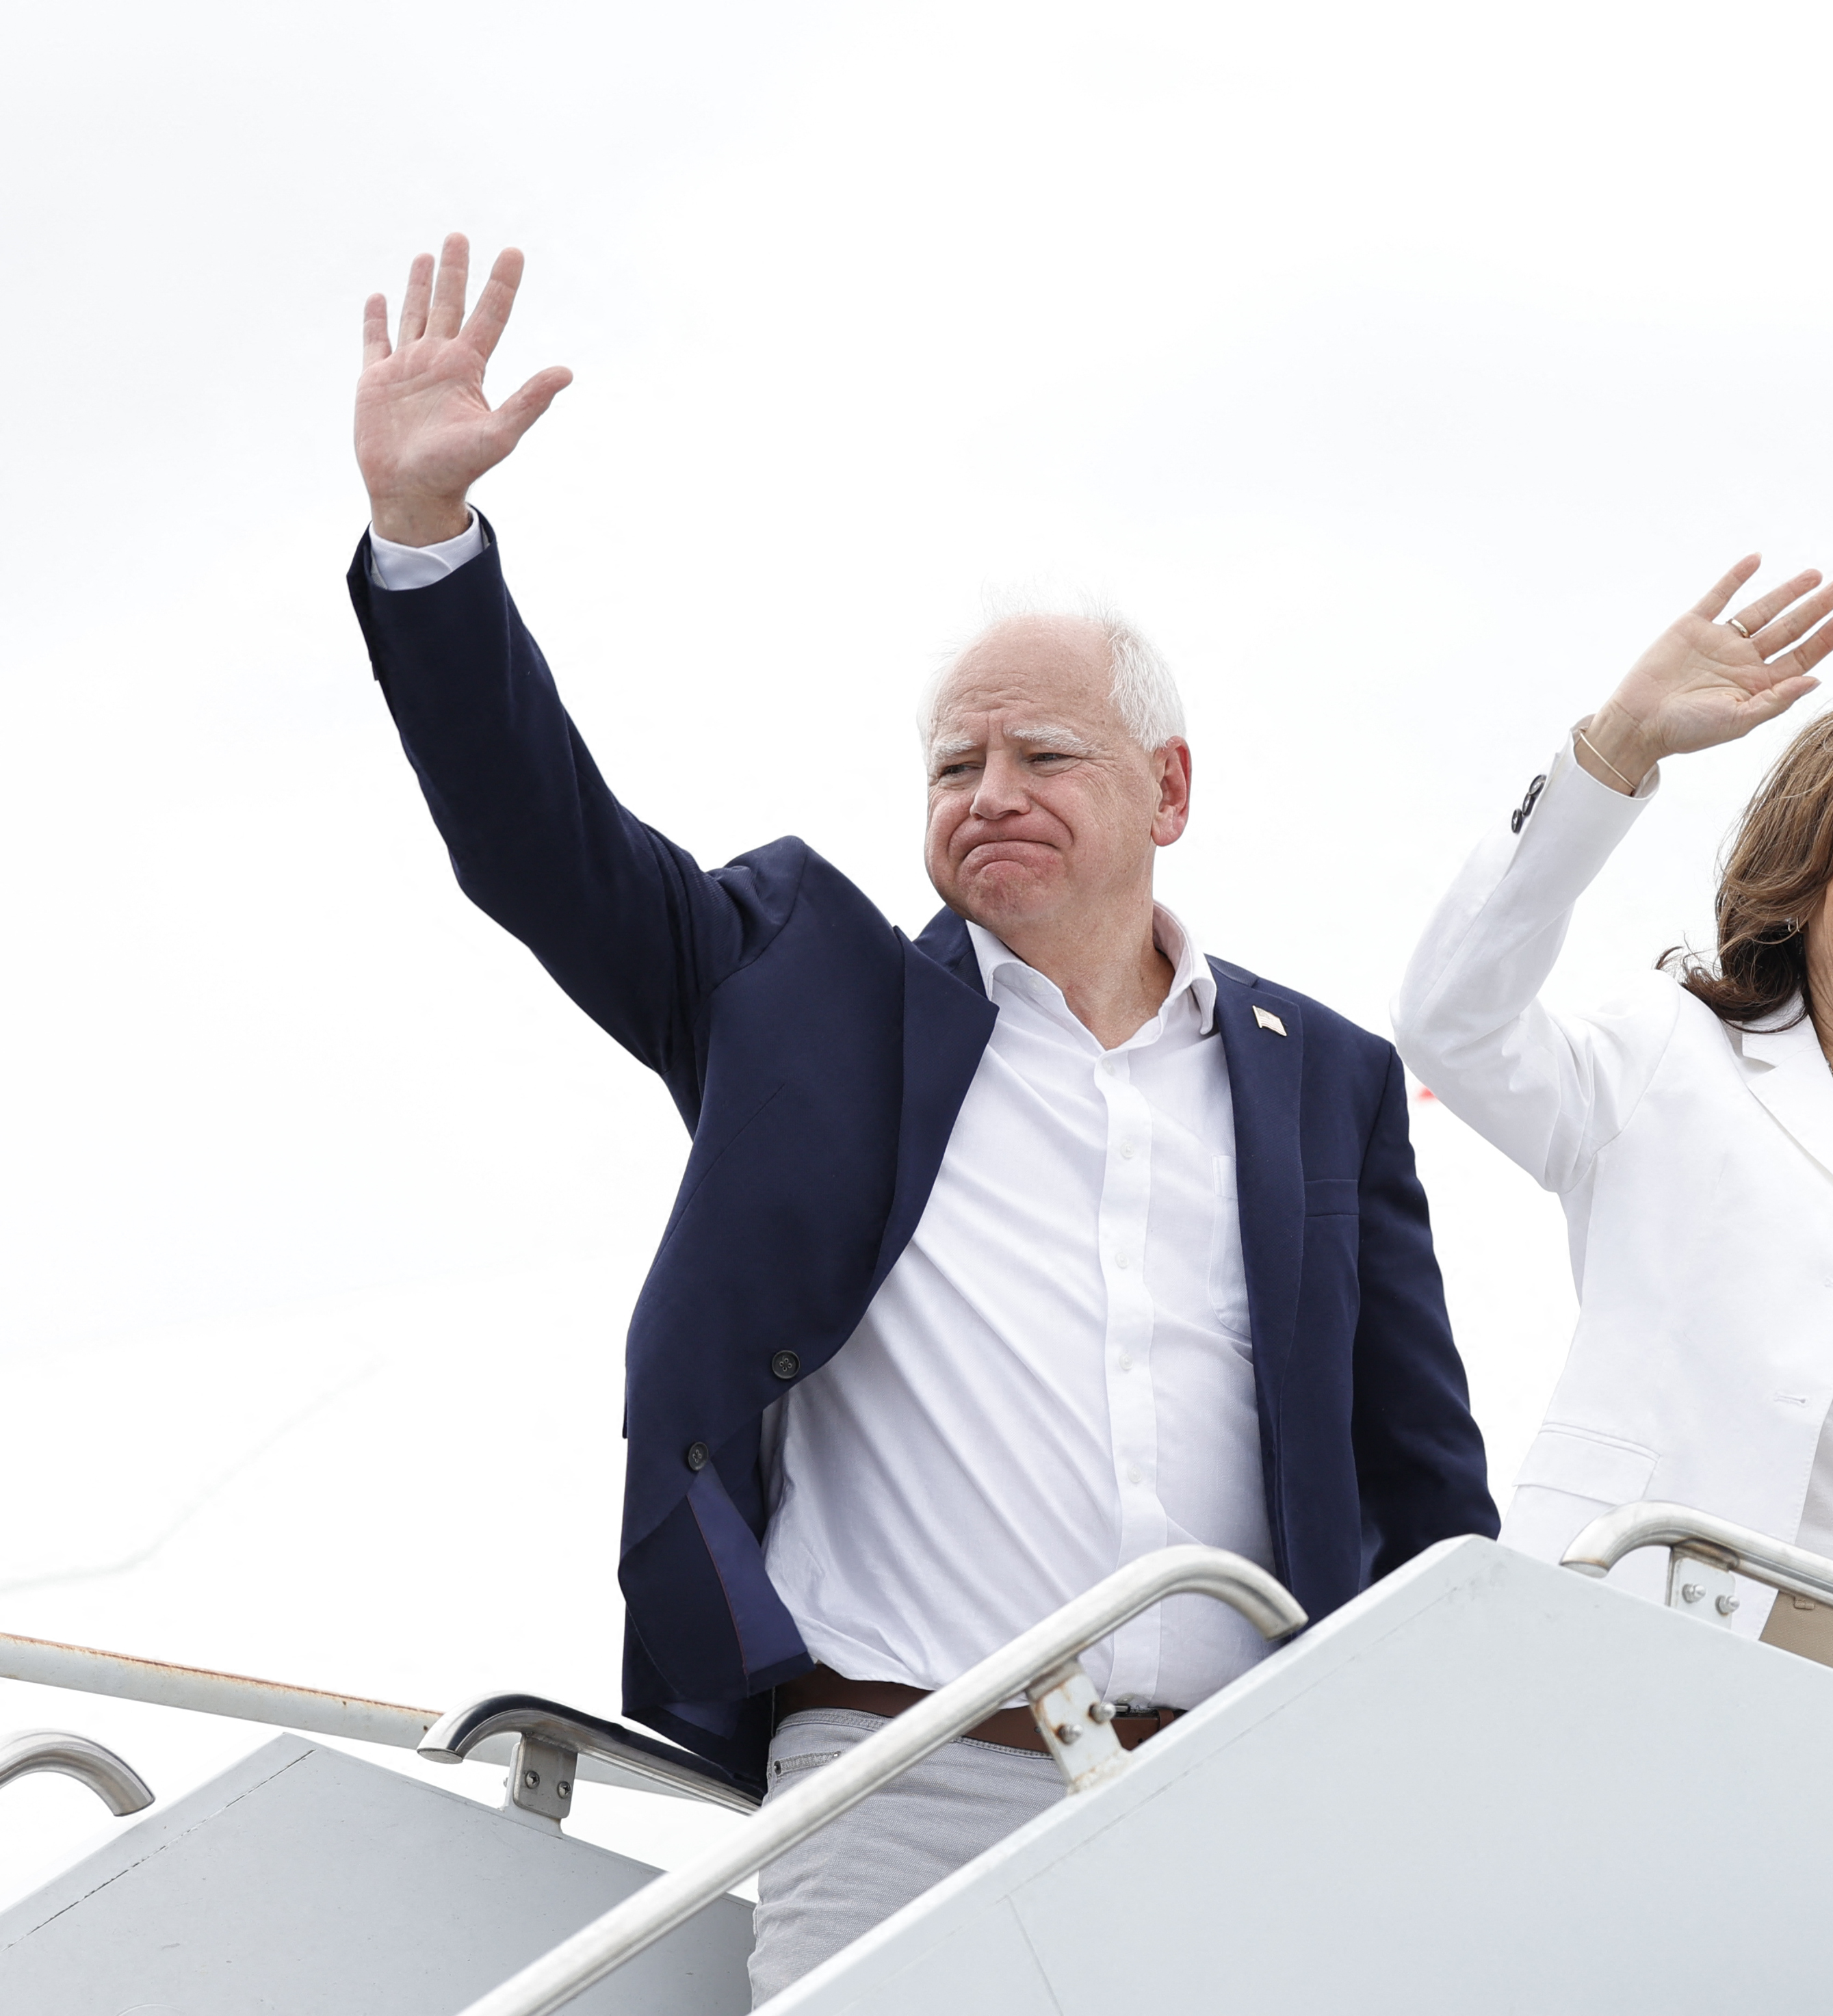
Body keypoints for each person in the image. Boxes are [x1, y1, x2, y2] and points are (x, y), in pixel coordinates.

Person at [347, 237, 1494, 1998]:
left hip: (1239, 1806)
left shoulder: (1321, 1077)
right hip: (892, 1787)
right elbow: (540, 846)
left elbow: (1423, 1488)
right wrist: (427, 547)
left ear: (1167, 789)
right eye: (956, 765)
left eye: (1044, 756)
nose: (991, 795)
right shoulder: (799, 983)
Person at [1394, 558, 1833, 1738]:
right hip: (1731, 1668)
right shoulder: (1667, 1068)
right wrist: (1618, 748)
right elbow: (1452, 1020)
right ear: (1806, 876)